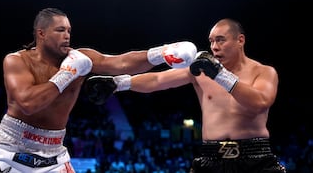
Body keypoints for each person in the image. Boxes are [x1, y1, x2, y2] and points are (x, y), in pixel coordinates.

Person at [0, 7, 197, 173]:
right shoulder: (17, 61)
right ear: (40, 33)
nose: (67, 35)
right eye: (60, 30)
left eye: (69, 30)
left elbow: (121, 63)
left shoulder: (81, 57)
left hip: (53, 154)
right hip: (10, 148)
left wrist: (162, 52)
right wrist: (67, 74)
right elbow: (28, 103)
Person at [84, 18, 287, 173]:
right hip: (210, 158)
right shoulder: (200, 71)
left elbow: (260, 102)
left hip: (256, 158)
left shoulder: (264, 72)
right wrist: (116, 83)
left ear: (240, 40)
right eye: (212, 41)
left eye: (221, 40)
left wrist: (220, 75)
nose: (214, 47)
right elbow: (158, 80)